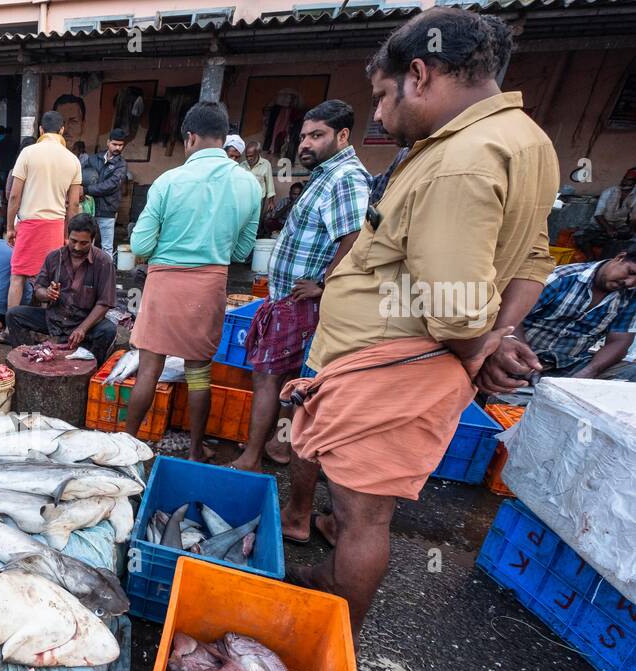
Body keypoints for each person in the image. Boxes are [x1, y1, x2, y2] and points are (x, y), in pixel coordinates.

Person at [281, 9, 558, 637]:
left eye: (382, 96)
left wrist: (479, 344)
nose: (377, 114)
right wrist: (499, 336)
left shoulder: (460, 160)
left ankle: (333, 640)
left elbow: (456, 306)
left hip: (386, 365)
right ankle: (333, 570)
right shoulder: (526, 140)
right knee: (357, 508)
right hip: (392, 362)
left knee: (364, 519)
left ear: (420, 74)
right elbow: (532, 259)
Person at [232, 100, 369, 473]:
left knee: (267, 377)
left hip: (299, 301)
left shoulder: (345, 177)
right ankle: (278, 448)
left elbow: (355, 236)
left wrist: (325, 283)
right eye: (304, 135)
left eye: (317, 135)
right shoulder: (326, 173)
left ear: (342, 135)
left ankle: (250, 459)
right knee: (287, 380)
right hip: (288, 299)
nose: (305, 143)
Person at [123, 101, 261, 460]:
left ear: (190, 137)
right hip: (210, 284)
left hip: (165, 284)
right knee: (198, 372)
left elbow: (140, 244)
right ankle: (196, 450)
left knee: (149, 369)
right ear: (223, 136)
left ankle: (125, 444)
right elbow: (242, 249)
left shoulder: (169, 181)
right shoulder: (249, 184)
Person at [4, 213, 117, 365]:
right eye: (73, 241)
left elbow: (104, 303)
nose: (77, 247)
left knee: (108, 330)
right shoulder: (54, 257)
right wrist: (47, 293)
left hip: (84, 321)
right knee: (13, 315)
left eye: (84, 243)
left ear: (93, 240)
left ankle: (91, 368)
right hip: (54, 318)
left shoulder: (103, 262)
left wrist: (82, 329)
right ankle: (27, 359)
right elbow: (38, 289)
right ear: (67, 236)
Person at [517, 244, 636, 381]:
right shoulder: (561, 278)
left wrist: (588, 373)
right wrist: (525, 358)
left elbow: (619, 341)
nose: (629, 282)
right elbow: (513, 320)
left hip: (572, 365)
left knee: (632, 372)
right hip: (522, 355)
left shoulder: (630, 297)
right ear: (620, 258)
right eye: (631, 272)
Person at [5, 111, 82, 311]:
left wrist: (10, 228)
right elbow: (73, 206)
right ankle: (46, 328)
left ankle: (10, 327)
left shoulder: (28, 153)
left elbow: (14, 196)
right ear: (62, 130)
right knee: (50, 280)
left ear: (40, 130)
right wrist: (68, 235)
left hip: (29, 224)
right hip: (55, 226)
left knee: (17, 277)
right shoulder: (73, 160)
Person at [83, 128, 128, 257]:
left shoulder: (121, 165)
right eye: (115, 144)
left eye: (120, 145)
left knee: (106, 247)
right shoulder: (94, 159)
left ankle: (105, 274)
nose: (117, 148)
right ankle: (87, 272)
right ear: (108, 142)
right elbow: (82, 174)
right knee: (87, 243)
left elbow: (111, 185)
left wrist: (86, 190)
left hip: (107, 209)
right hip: (90, 207)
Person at [574, 168, 636, 261]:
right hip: (598, 226)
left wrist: (628, 230)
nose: (624, 182)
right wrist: (608, 229)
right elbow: (598, 214)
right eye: (624, 178)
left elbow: (633, 218)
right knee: (580, 236)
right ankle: (591, 259)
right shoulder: (609, 192)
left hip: (618, 227)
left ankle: (609, 262)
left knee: (624, 242)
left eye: (629, 180)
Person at [244, 138, 276, 220]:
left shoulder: (265, 164)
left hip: (258, 200)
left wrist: (271, 201)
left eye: (251, 156)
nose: (248, 159)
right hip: (244, 198)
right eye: (247, 156)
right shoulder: (242, 165)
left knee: (255, 220)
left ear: (258, 153)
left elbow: (270, 183)